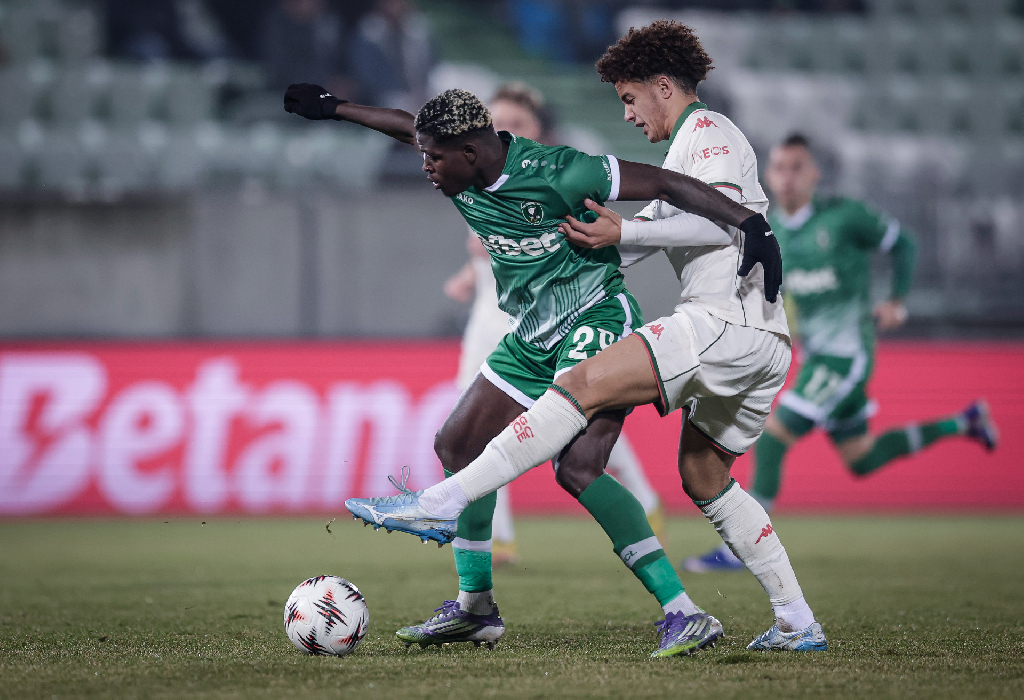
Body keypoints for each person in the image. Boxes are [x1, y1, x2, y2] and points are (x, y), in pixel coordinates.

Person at [343, 20, 826, 654]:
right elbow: (656, 225)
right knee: (703, 476)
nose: (626, 114)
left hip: (722, 322)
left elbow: (720, 218)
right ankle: (797, 620)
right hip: (752, 338)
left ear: (662, 86)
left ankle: (443, 501)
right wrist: (603, 243)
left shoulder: (707, 133)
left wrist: (654, 231)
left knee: (581, 391)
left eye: (629, 98)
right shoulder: (682, 147)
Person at [683, 133, 1000, 573]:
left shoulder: (846, 217)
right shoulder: (770, 232)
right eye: (780, 168)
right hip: (818, 357)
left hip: (847, 355)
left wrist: (897, 300)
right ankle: (965, 422)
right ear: (768, 175)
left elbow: (904, 243)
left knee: (773, 438)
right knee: (861, 457)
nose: (788, 177)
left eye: (797, 167)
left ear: (814, 173)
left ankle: (743, 550)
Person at [443, 83, 666, 565]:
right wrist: (468, 272)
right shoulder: (473, 173)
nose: (503, 131)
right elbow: (497, 249)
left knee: (577, 418)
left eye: (516, 124)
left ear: (537, 132)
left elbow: (581, 242)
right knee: (471, 434)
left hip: (558, 317)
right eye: (497, 122)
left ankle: (645, 499)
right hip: (491, 319)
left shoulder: (555, 178)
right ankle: (498, 539)